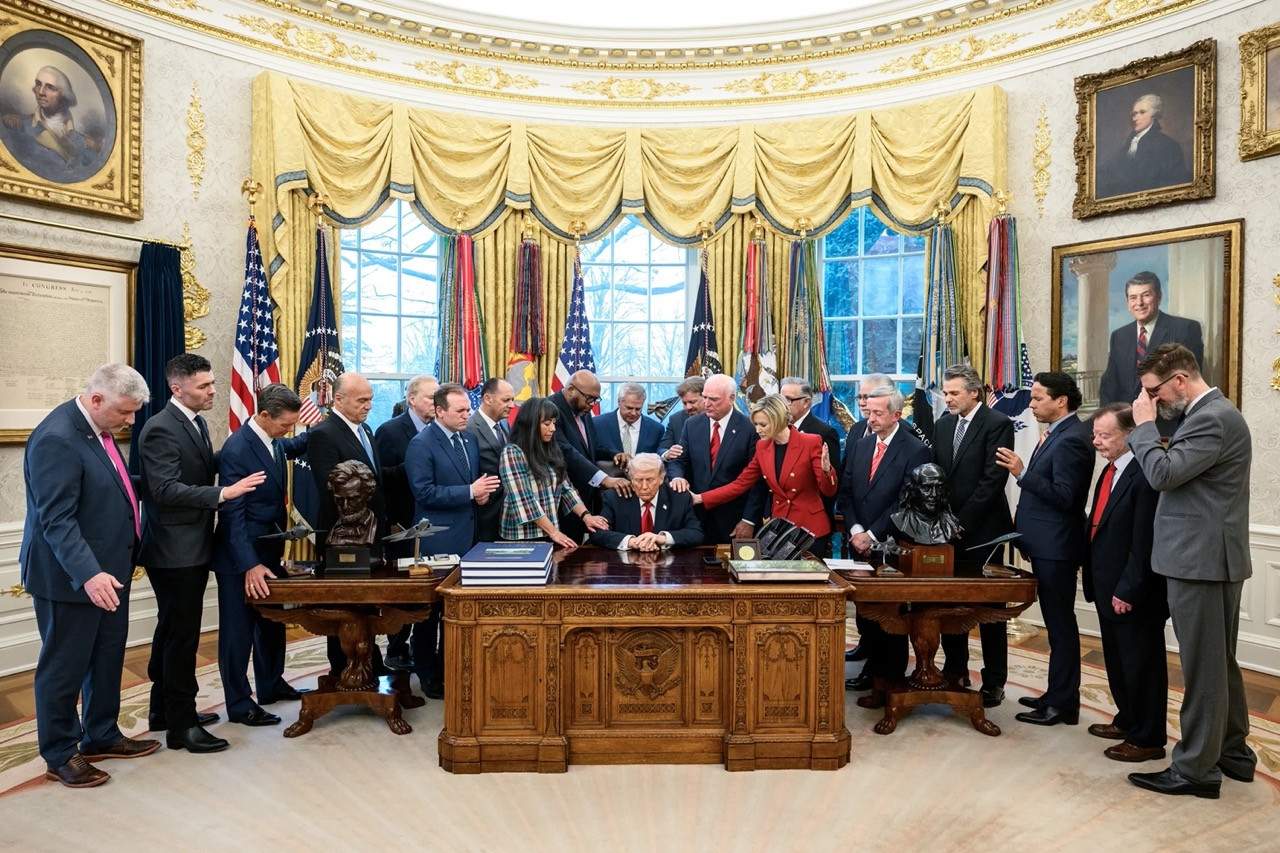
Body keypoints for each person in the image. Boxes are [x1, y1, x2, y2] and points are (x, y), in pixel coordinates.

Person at [1127, 343, 1256, 799]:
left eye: (1154, 392)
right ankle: (1233, 751)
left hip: (1201, 560)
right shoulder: (1209, 415)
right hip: (1206, 556)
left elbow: (1163, 474)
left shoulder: (1211, 418)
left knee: (1203, 667)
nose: (1152, 402)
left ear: (1179, 380)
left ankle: (1196, 770)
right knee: (1219, 663)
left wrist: (1143, 429)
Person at [20, 364, 158, 788]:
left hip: (109, 573)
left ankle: (101, 734)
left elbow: (110, 483)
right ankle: (60, 753)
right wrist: (90, 574)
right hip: (71, 578)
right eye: (124, 412)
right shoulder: (57, 439)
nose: (131, 422)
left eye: (135, 413)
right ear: (96, 399)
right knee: (63, 667)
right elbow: (56, 520)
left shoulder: (96, 430)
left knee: (106, 657)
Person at [137, 354, 264, 753]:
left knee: (171, 631)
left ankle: (163, 712)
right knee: (182, 638)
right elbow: (164, 490)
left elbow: (202, 467)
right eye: (204, 386)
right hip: (173, 551)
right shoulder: (161, 428)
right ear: (178, 389)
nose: (213, 391)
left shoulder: (194, 422)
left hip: (189, 547)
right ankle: (182, 726)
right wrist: (223, 493)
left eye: (212, 384)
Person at [997, 372, 1094, 727]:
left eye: (1038, 398)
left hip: (1058, 547)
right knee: (1056, 624)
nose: (1031, 404)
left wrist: (1022, 472)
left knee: (1060, 626)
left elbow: (1067, 498)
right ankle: (1055, 694)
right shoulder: (1058, 433)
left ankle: (1063, 704)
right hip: (1043, 543)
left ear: (1061, 401)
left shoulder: (1072, 439)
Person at [212, 384, 311, 731]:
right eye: (285, 424)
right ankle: (239, 704)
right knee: (238, 632)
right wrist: (249, 565)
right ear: (265, 416)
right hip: (241, 557)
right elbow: (232, 515)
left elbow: (291, 445)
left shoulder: (272, 440)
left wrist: (326, 423)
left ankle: (271, 684)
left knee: (271, 622)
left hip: (269, 550)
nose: (289, 430)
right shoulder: (238, 450)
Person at [1083, 403, 1169, 764]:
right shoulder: (1109, 471)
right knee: (1118, 661)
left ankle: (1148, 738)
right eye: (1095, 435)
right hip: (1106, 584)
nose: (1097, 442)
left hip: (1133, 591)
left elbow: (1145, 541)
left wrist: (1128, 589)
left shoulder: (1146, 475)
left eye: (1105, 435)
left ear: (1131, 435)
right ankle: (1127, 719)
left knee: (1142, 666)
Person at [405, 383, 500, 699]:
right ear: (439, 411)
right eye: (460, 411)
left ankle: (452, 670)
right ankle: (428, 674)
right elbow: (424, 493)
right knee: (429, 614)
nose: (466, 415)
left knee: (457, 613)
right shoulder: (421, 444)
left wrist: (480, 496)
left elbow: (470, 486)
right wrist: (470, 492)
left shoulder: (469, 440)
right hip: (437, 542)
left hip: (469, 539)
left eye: (467, 409)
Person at [837, 386, 930, 691]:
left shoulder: (915, 450)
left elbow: (905, 501)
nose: (871, 417)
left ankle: (889, 678)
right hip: (858, 541)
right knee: (865, 613)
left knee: (889, 616)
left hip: (890, 545)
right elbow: (847, 493)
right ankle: (870, 671)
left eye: (878, 413)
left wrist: (872, 534)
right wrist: (854, 531)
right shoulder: (861, 446)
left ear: (896, 415)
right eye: (868, 411)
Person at [933, 364, 1013, 708]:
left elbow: (992, 482)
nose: (947, 399)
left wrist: (960, 522)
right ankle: (955, 670)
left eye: (954, 393)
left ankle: (994, 680)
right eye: (945, 393)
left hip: (984, 531)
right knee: (952, 605)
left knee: (989, 609)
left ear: (974, 393)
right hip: (948, 531)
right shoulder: (942, 424)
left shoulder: (998, 424)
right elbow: (938, 476)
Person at [306, 372, 391, 678]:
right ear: (338, 399)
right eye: (362, 400)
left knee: (367, 605)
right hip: (341, 536)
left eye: (370, 399)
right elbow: (331, 489)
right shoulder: (324, 434)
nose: (368, 405)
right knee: (342, 608)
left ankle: (371, 663)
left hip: (370, 533)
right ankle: (345, 670)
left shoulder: (365, 429)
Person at [687, 394, 837, 557]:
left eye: (763, 425)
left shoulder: (810, 441)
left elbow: (828, 491)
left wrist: (826, 470)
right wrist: (701, 498)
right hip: (780, 529)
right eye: (756, 424)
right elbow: (741, 483)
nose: (757, 429)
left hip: (809, 530)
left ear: (778, 420)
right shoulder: (762, 446)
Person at [373, 374, 438, 670]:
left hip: (434, 524)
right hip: (402, 524)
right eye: (429, 398)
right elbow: (379, 478)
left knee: (429, 593)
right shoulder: (389, 431)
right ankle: (396, 650)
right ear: (412, 399)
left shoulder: (441, 429)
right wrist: (413, 465)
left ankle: (422, 650)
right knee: (403, 594)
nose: (435, 403)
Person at [667, 374, 765, 545]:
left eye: (714, 399)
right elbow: (678, 461)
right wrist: (677, 477)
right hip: (696, 518)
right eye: (704, 397)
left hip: (735, 518)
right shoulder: (692, 425)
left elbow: (757, 481)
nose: (706, 403)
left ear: (731, 398)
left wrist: (749, 520)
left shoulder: (750, 428)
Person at [499, 396, 608, 549]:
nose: (553, 428)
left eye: (554, 423)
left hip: (550, 532)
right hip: (523, 537)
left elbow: (566, 488)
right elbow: (524, 500)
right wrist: (554, 532)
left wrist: (586, 516)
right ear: (530, 424)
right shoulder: (512, 452)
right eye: (546, 424)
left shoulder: (550, 449)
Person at [1097, 271, 1205, 407]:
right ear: (1127, 303)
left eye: (1146, 295)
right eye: (1133, 298)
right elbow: (1109, 385)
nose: (1139, 303)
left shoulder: (1185, 329)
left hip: (1167, 420)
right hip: (1125, 420)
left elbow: (1190, 382)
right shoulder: (1119, 336)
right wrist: (1109, 419)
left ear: (1159, 297)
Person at [549, 370, 633, 541]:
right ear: (571, 389)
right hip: (562, 503)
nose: (593, 404)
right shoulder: (550, 410)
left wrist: (615, 453)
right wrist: (605, 479)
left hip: (584, 500)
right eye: (589, 398)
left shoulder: (582, 411)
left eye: (596, 399)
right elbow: (566, 451)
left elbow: (591, 446)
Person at [0, 65, 107, 183]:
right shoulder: (15, 125)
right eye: (38, 84)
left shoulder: (89, 144)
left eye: (50, 87)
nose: (40, 92)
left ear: (64, 96)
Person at [590, 453, 702, 550]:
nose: (644, 487)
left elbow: (696, 533)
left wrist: (662, 538)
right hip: (625, 568)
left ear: (661, 479)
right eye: (638, 480)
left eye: (650, 480)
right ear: (631, 479)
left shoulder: (679, 498)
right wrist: (632, 542)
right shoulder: (614, 497)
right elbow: (598, 533)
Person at [1096, 94, 1192, 199]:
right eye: (1134, 114)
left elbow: (1176, 183)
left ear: (1154, 115)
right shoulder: (1127, 147)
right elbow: (1106, 173)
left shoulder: (1168, 145)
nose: (1135, 118)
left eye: (1142, 112)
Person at [467, 377, 515, 542]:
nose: (512, 405)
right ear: (488, 399)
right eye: (506, 400)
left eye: (512, 400)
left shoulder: (505, 424)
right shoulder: (468, 428)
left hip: (507, 514)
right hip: (484, 514)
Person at [594, 382, 663, 470]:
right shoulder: (597, 424)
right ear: (619, 402)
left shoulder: (656, 429)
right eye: (629, 408)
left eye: (638, 409)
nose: (634, 413)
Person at [891, 463, 962, 546]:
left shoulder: (951, 524)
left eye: (939, 487)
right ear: (913, 491)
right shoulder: (901, 520)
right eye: (926, 488)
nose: (934, 494)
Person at [658, 376, 704, 461]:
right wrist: (667, 454)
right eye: (684, 403)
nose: (688, 407)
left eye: (692, 402)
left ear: (705, 397)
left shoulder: (716, 417)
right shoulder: (676, 420)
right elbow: (662, 449)